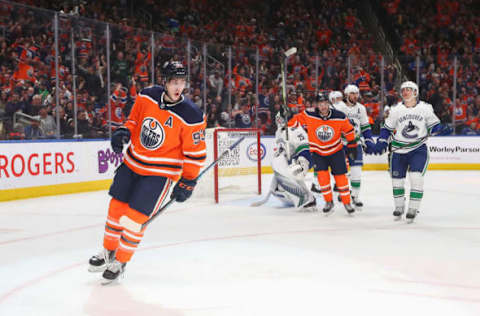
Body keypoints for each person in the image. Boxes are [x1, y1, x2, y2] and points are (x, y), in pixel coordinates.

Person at [88, 61, 206, 283]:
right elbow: (134, 121)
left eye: (181, 82)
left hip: (159, 174)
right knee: (116, 210)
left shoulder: (192, 115)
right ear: (165, 81)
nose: (178, 87)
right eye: (173, 82)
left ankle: (121, 261)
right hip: (132, 163)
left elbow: (195, 153)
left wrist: (188, 181)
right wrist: (123, 132)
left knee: (135, 219)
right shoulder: (147, 96)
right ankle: (108, 251)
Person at [374, 81, 442, 223]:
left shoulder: (425, 108)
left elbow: (435, 125)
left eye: (409, 90)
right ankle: (399, 206)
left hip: (418, 148)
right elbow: (387, 128)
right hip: (398, 150)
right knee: (396, 181)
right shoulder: (396, 109)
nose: (405, 92)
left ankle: (413, 208)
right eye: (403, 90)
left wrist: (438, 129)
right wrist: (382, 140)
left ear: (415, 92)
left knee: (416, 177)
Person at [289, 92, 358, 215]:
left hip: (336, 151)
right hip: (318, 152)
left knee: (341, 178)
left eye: (325, 103)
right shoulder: (309, 114)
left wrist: (352, 145)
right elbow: (294, 122)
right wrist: (288, 116)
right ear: (317, 105)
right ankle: (328, 202)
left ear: (329, 104)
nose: (323, 106)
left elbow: (348, 130)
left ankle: (347, 203)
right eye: (320, 104)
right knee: (322, 178)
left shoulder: (339, 116)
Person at [256, 111, 316, 211]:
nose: (277, 122)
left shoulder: (294, 129)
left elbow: (305, 148)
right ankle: (309, 198)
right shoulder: (281, 131)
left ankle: (304, 199)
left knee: (290, 175)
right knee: (291, 176)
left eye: (279, 119)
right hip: (297, 160)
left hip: (305, 158)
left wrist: (302, 162)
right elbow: (282, 152)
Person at [333, 84, 375, 208]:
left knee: (356, 172)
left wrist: (369, 140)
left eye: (356, 93)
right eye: (352, 93)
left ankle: (355, 197)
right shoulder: (337, 107)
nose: (355, 96)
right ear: (346, 94)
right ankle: (343, 192)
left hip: (355, 143)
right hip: (340, 144)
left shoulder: (361, 108)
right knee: (342, 172)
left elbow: (365, 126)